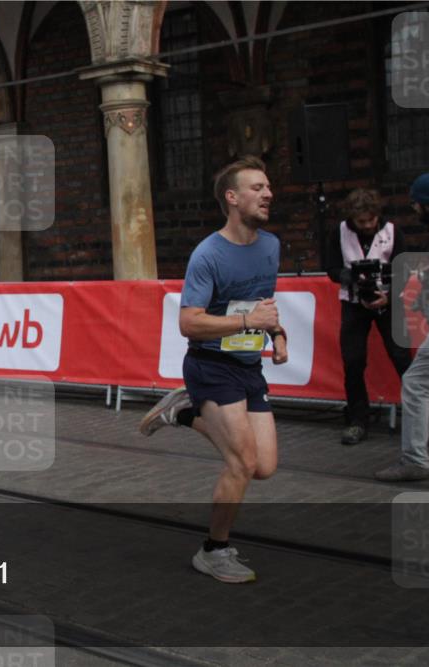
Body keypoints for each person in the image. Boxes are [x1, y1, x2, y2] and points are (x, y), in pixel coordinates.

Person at [139, 156, 287, 583]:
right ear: (232, 197)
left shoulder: (271, 246)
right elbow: (189, 322)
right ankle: (213, 550)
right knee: (241, 462)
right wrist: (247, 323)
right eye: (257, 188)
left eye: (268, 187)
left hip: (247, 365)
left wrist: (277, 334)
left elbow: (262, 307)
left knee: (265, 466)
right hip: (210, 364)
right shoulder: (207, 254)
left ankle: (182, 413)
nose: (268, 194)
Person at [375, 173, 429, 481]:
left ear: (423, 202)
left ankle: (414, 460)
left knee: (414, 383)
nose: (413, 210)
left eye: (414, 203)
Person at [324, 188, 413, 445]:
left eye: (370, 221)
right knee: (353, 361)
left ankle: (420, 419)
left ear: (377, 215)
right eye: (360, 222)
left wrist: (390, 293)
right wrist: (349, 277)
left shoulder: (393, 231)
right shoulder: (339, 231)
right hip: (353, 302)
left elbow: (404, 269)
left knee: (401, 358)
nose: (366, 226)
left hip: (389, 300)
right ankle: (357, 419)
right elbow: (331, 268)